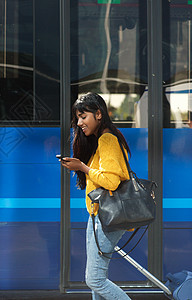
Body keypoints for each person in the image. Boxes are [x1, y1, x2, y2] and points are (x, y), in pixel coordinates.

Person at [60, 92, 131, 300]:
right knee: (97, 282)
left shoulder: (108, 139)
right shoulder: (102, 138)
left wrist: (82, 167)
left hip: (109, 217)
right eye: (78, 118)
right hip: (99, 215)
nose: (80, 122)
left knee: (95, 280)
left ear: (98, 114)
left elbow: (111, 181)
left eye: (84, 116)